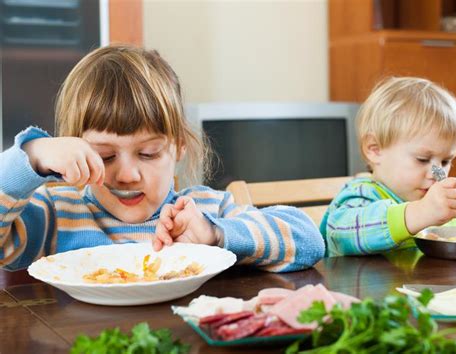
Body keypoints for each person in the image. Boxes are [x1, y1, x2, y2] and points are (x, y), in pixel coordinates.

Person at [0, 45, 325, 272]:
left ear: (179, 147)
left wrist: (216, 235)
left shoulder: (204, 210)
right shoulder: (57, 214)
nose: (127, 174)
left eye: (148, 153)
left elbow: (309, 240)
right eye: (105, 156)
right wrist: (31, 155)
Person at [320, 77, 456, 257]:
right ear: (374, 149)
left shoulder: (434, 203)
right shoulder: (362, 195)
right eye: (422, 159)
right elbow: (340, 234)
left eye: (445, 161)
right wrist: (420, 212)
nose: (436, 173)